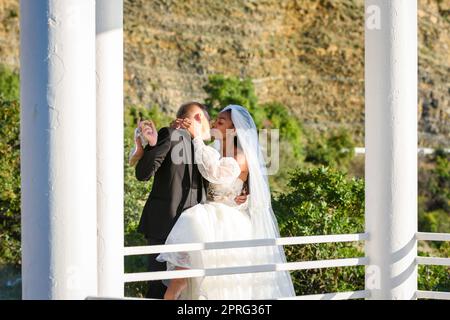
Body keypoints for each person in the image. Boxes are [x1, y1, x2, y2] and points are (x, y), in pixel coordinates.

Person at [156, 105, 295, 300]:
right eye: (215, 120)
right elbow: (202, 159)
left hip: (228, 224)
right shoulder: (215, 149)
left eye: (221, 121)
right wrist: (182, 129)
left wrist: (196, 137)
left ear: (235, 129)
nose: (214, 123)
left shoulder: (241, 156)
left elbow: (216, 173)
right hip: (207, 216)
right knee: (184, 276)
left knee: (222, 286)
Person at [129, 102, 247, 299]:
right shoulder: (170, 134)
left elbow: (225, 175)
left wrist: (245, 190)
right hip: (165, 225)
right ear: (199, 118)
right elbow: (143, 173)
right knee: (159, 290)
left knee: (190, 293)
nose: (213, 126)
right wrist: (150, 147)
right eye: (211, 121)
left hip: (196, 231)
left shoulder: (210, 151)